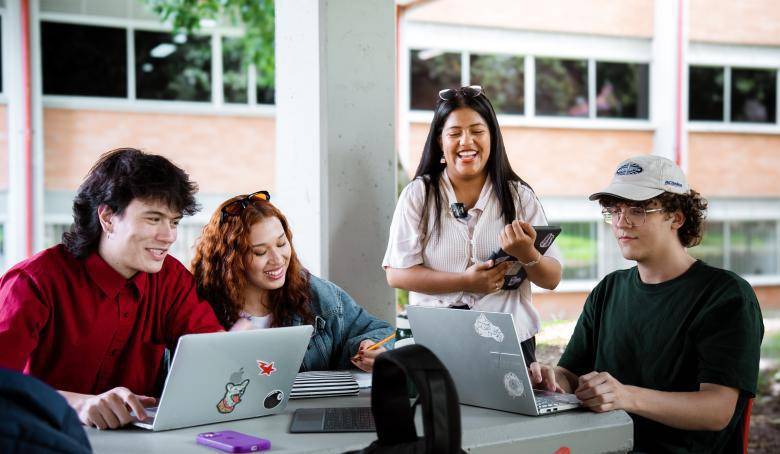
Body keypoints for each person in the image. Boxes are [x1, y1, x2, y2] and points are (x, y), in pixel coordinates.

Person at [530, 155, 764, 452]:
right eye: (614, 210)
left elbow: (718, 410)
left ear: (676, 217)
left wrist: (625, 396)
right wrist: (549, 382)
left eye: (637, 210)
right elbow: (572, 375)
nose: (621, 222)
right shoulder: (608, 289)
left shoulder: (725, 296)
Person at [0, 148, 224, 430]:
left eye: (174, 222)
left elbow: (212, 352)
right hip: (44, 438)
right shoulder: (33, 282)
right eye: (153, 219)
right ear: (107, 217)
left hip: (138, 444)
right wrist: (78, 403)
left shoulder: (172, 279)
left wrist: (236, 347)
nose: (169, 236)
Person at [383, 85, 562, 365]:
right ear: (440, 141)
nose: (466, 142)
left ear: (492, 137)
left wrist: (528, 254)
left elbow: (551, 278)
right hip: (438, 341)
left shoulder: (519, 196)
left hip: (511, 341)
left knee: (506, 411)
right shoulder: (418, 194)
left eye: (477, 131)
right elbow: (397, 275)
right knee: (441, 410)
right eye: (454, 133)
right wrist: (464, 281)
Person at [191, 191, 394, 372]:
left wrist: (371, 345)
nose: (278, 259)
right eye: (260, 252)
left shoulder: (316, 294)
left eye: (281, 243)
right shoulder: (197, 305)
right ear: (231, 259)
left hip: (309, 411)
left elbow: (381, 331)